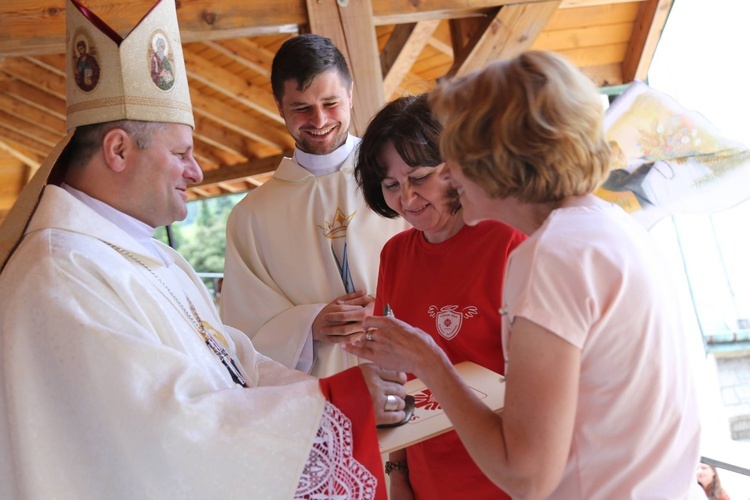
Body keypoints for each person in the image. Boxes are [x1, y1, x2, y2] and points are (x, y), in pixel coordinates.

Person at [0, 1, 408, 498]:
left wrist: (338, 396)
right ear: (118, 151)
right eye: (181, 154)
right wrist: (334, 399)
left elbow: (238, 362)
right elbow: (168, 427)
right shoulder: (61, 275)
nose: (196, 172)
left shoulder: (155, 259)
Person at [345, 51, 702, 498]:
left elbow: (527, 475)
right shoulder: (608, 227)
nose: (450, 175)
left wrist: (428, 361)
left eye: (454, 156)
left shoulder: (551, 257)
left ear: (499, 158)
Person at [354, 93, 526, 499]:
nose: (407, 199)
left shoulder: (509, 242)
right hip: (428, 479)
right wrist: (398, 473)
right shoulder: (395, 254)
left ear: (454, 166)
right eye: (392, 185)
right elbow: (393, 378)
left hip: (505, 474)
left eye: (419, 178)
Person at [221, 34, 409, 377]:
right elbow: (243, 330)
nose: (319, 120)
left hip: (414, 367)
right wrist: (309, 326)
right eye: (302, 108)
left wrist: (392, 307)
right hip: (323, 391)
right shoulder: (251, 217)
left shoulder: (401, 177)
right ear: (280, 108)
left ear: (351, 96)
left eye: (331, 103)